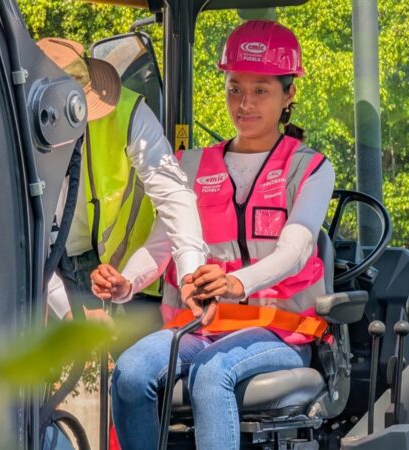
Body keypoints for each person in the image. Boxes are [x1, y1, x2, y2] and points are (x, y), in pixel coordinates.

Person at [90, 20, 336, 449]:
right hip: (199, 328)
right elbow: (162, 246)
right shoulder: (189, 165)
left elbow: (296, 251)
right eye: (234, 88)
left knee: (211, 374)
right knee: (129, 373)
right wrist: (126, 283)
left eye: (261, 90)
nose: (245, 103)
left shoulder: (310, 167)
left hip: (281, 331)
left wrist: (236, 283)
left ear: (288, 94)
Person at [34, 38, 207, 323]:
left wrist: (191, 273)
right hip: (45, 266)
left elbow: (174, 193)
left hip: (122, 271)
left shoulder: (127, 113)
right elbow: (14, 231)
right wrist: (65, 308)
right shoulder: (10, 130)